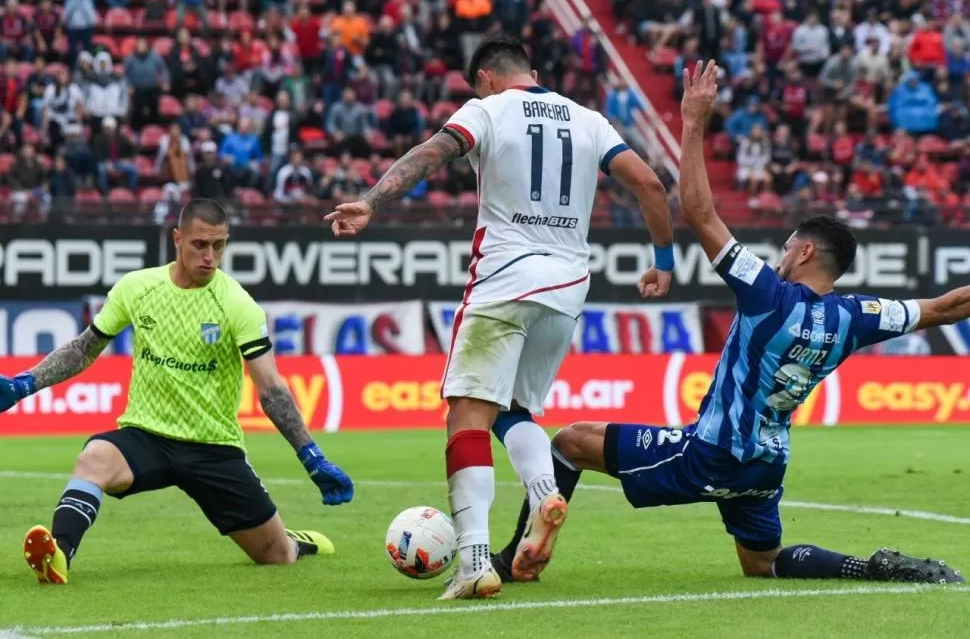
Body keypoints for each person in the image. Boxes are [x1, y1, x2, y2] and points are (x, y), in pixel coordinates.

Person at [493, 61, 966, 587]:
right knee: (761, 562)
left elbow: (698, 210)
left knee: (568, 442)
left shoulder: (768, 294)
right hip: (765, 467)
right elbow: (945, 307)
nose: (781, 254)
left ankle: (518, 557)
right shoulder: (856, 317)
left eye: (787, 247)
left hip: (711, 453)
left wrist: (693, 122)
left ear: (806, 251)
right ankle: (869, 567)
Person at [324, 35, 673, 600]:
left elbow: (432, 153)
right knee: (517, 410)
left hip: (505, 280)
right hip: (567, 289)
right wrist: (663, 261)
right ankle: (543, 492)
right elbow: (652, 184)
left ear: (484, 77)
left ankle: (475, 561)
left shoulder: (486, 109)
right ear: (530, 70)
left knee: (467, 415)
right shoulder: (588, 119)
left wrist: (372, 200)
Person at [0, 199, 354, 585]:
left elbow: (270, 388)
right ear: (177, 238)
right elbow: (84, 348)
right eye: (200, 245)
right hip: (146, 434)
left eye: (219, 246)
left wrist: (311, 456)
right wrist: (24, 384)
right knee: (93, 459)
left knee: (276, 556)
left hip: (213, 447)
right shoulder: (138, 288)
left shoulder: (237, 304)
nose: (210, 257)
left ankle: (294, 541)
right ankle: (58, 555)